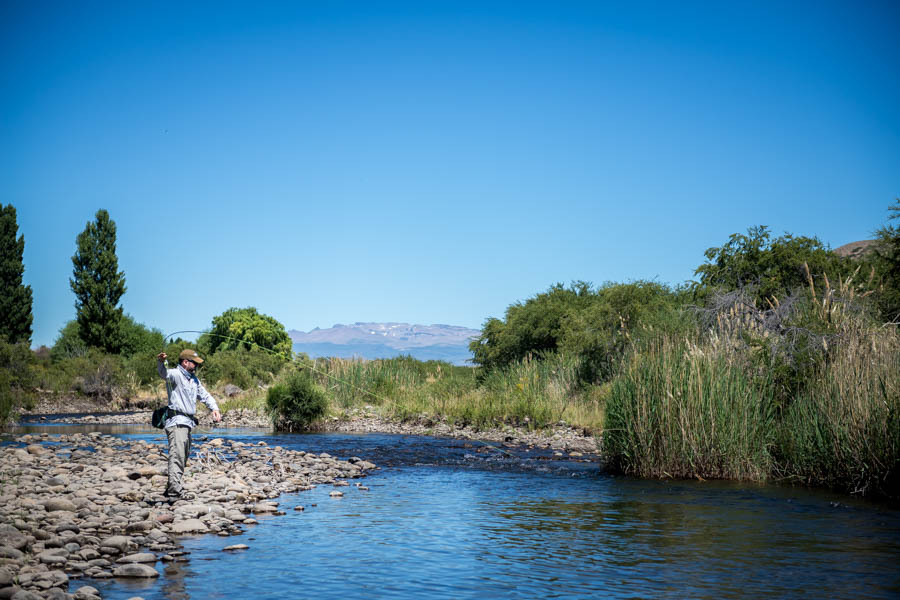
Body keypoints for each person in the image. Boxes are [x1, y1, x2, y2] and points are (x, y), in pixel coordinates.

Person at [156, 348, 221, 500]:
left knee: (182, 457)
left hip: (187, 424)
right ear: (185, 362)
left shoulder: (194, 379)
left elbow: (204, 395)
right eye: (194, 363)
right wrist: (161, 361)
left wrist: (214, 408)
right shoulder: (175, 374)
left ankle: (171, 487)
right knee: (177, 457)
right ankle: (174, 492)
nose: (196, 366)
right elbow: (163, 373)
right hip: (177, 423)